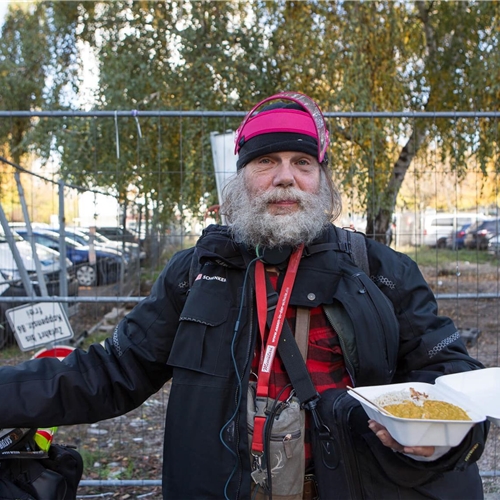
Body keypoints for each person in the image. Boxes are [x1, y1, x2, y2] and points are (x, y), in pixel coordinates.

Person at [0, 91, 489, 500]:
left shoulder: (381, 271)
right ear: (240, 179)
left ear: (321, 180)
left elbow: (450, 377)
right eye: (265, 162)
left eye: (302, 162)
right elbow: (110, 372)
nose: (284, 177)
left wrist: (442, 438)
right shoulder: (195, 273)